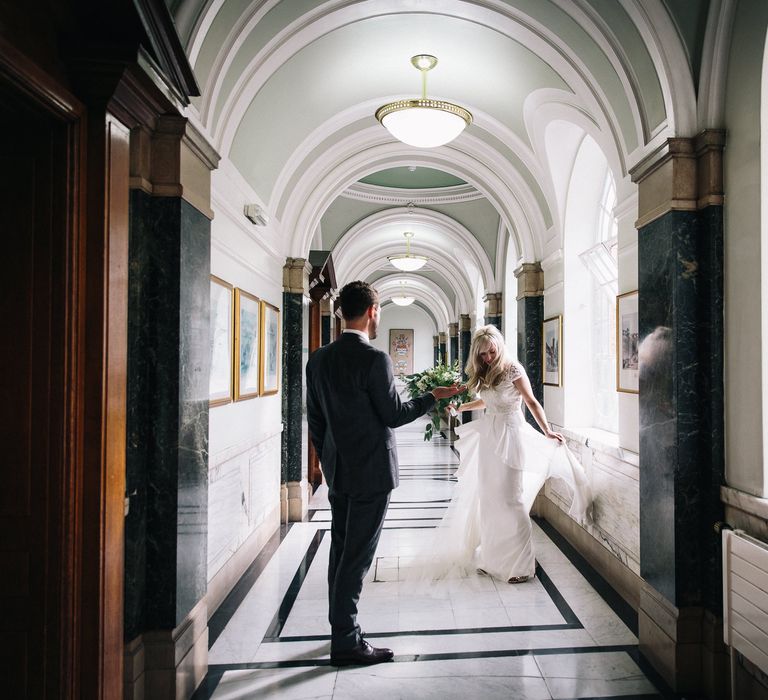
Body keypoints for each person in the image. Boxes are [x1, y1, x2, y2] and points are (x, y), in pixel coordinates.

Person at [306, 280, 463, 666]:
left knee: (341, 550)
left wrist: (328, 464)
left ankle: (341, 629)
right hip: (372, 474)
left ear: (343, 311)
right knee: (357, 558)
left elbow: (316, 421)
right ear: (373, 311)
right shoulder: (375, 360)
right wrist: (433, 397)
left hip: (339, 472)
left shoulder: (319, 359)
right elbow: (394, 415)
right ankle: (346, 640)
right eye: (378, 312)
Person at [433, 325, 591, 584]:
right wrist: (460, 407)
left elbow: (531, 401)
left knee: (511, 499)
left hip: (511, 434)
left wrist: (548, 430)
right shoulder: (486, 371)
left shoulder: (514, 369)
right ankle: (491, 559)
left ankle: (520, 565)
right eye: (482, 354)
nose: (487, 358)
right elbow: (487, 402)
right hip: (489, 438)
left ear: (499, 346)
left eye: (491, 352)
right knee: (489, 498)